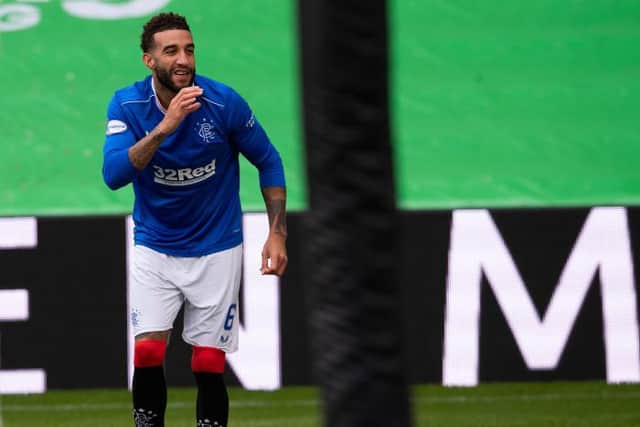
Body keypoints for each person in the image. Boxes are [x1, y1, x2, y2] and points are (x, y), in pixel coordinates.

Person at [102, 12, 287, 427]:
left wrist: (277, 234)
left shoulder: (223, 103)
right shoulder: (127, 105)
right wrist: (165, 128)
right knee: (148, 350)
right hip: (155, 244)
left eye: (189, 49)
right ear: (149, 61)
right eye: (171, 51)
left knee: (207, 360)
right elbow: (114, 176)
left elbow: (269, 161)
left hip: (217, 244)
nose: (184, 59)